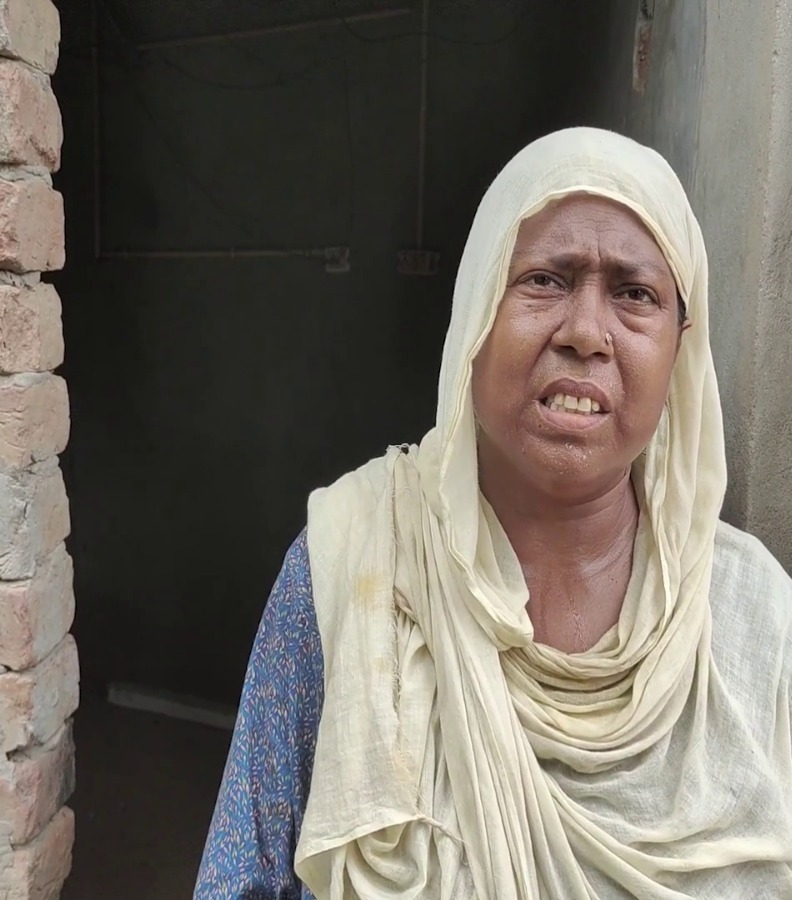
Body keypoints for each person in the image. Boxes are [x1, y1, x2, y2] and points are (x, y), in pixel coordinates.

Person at [194, 127, 792, 899]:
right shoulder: (353, 566)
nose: (585, 333)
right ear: (476, 312)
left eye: (634, 294)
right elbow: (242, 879)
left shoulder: (756, 619)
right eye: (545, 279)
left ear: (681, 344)